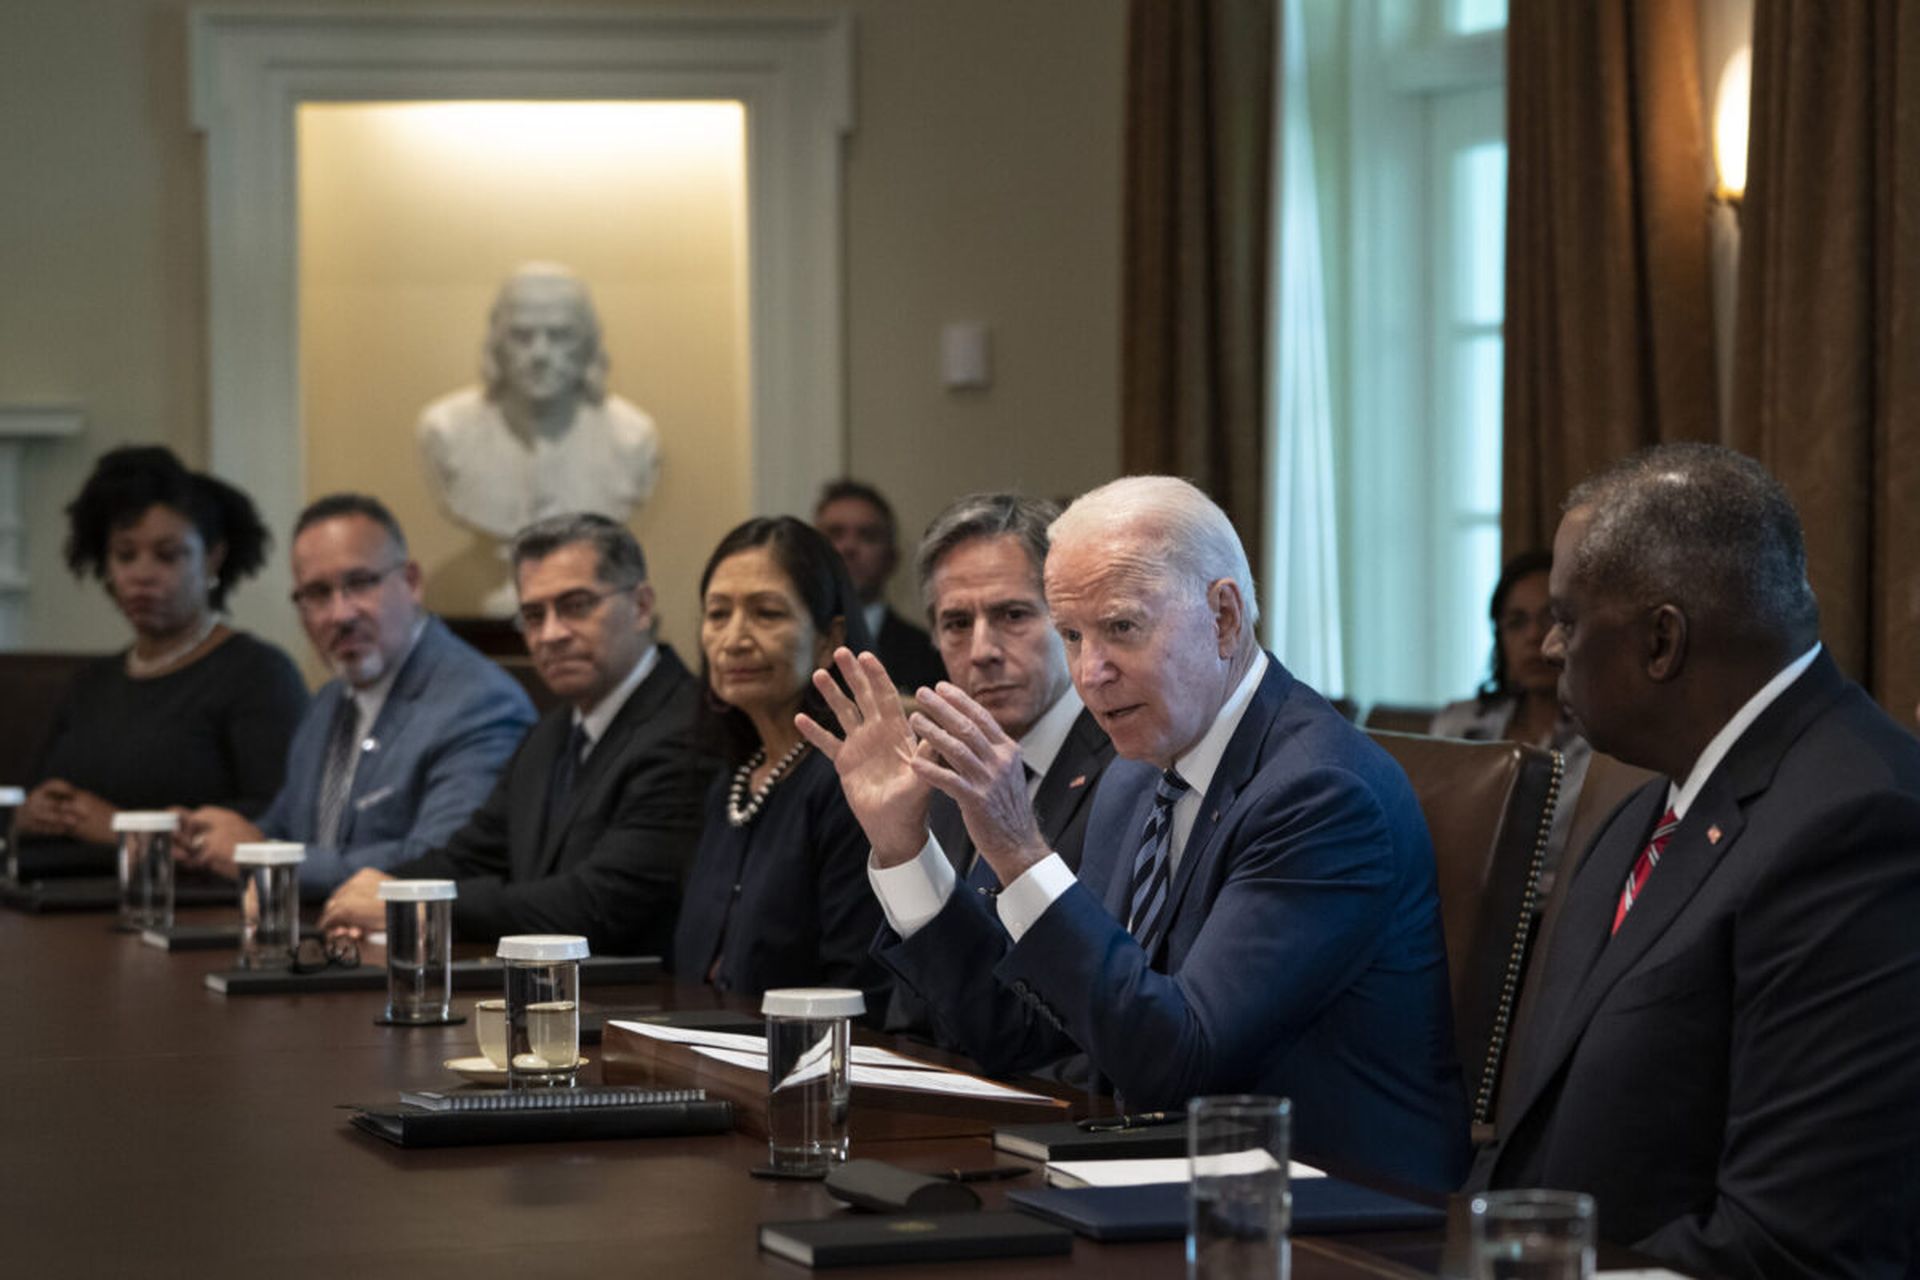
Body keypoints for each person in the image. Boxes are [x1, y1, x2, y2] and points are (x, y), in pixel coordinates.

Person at [802, 475, 1469, 1191]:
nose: (1091, 673)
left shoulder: (1320, 793)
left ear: (1223, 617)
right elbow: (1019, 1030)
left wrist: (1020, 851)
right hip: (1171, 1181)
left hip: (1336, 1215)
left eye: (1122, 628)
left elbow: (1179, 1061)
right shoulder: (1138, 775)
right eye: (1072, 635)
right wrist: (904, 847)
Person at [1471, 444, 1920, 1277]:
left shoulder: (1858, 829)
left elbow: (1793, 1243)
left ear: (1662, 641)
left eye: (1568, 619)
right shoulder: (1644, 807)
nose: (1552, 647)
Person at [319, 514, 715, 955]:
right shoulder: (551, 733)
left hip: (642, 1006)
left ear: (641, 606)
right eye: (532, 615)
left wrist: (416, 908)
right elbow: (469, 856)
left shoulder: (689, 729)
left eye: (576, 605)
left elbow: (597, 905)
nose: (550, 634)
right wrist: (381, 892)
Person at [180, 495, 534, 894]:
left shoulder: (478, 703)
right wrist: (206, 839)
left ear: (412, 582)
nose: (340, 614)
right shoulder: (329, 700)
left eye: (360, 583)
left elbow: (441, 861)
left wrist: (259, 857)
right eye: (316, 593)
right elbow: (285, 828)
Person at [883, 492, 1116, 1040]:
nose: (982, 649)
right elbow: (912, 1014)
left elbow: (1091, 1016)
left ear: (1068, 621)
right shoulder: (935, 770)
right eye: (957, 623)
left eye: (1012, 615)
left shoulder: (1129, 766)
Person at [19, 447, 307, 857]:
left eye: (168, 555)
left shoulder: (258, 674)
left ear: (213, 558)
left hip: (188, 907)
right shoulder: (89, 683)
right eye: (124, 555)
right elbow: (39, 787)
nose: (142, 575)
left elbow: (279, 817)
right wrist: (31, 814)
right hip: (55, 897)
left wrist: (124, 830)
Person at [671, 517, 887, 1006]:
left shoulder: (850, 780)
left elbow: (856, 983)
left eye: (766, 614)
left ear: (829, 638)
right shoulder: (732, 780)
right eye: (717, 614)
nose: (734, 639)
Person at [417, 263, 661, 612]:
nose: (541, 354)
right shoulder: (444, 431)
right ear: (496, 342)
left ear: (589, 343)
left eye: (560, 336)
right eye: (522, 336)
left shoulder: (632, 439)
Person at [1431, 549, 1591, 887]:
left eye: (1550, 617)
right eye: (1517, 623)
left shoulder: (1604, 743)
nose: (1534, 637)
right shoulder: (1456, 726)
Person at [814, 479, 945, 690]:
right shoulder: (790, 644)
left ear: (891, 558)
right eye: (835, 533)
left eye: (867, 535)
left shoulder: (930, 654)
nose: (849, 547)